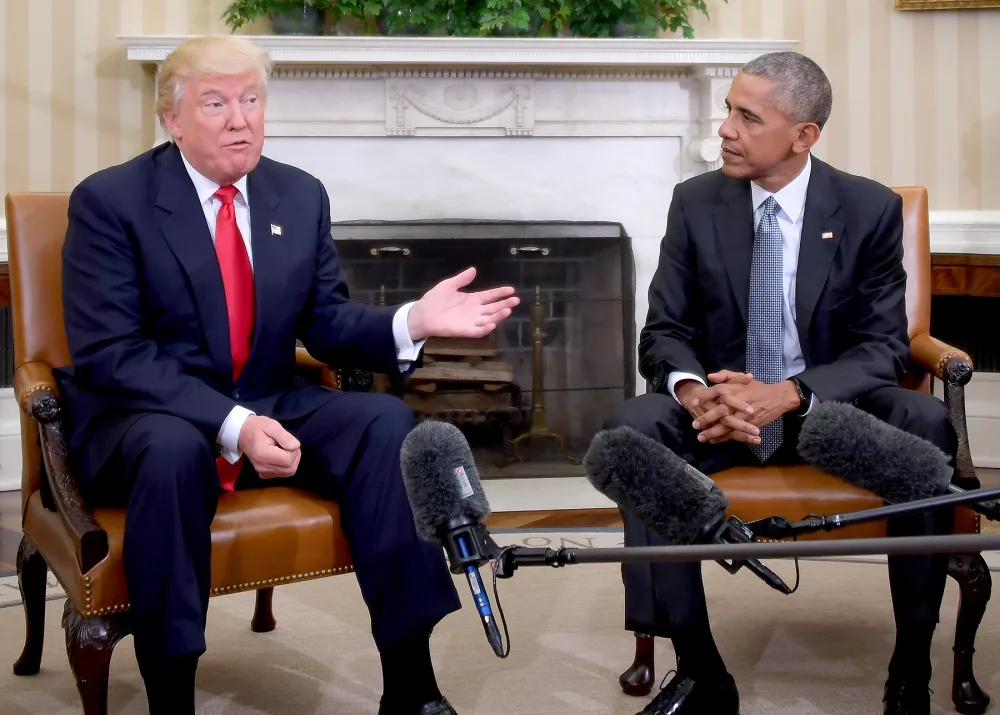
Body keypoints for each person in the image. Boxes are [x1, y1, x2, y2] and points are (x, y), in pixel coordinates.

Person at [57, 34, 519, 715]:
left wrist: (411, 322)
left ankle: (412, 685)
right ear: (172, 119)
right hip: (143, 418)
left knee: (384, 422)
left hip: (268, 395)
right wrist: (235, 425)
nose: (239, 118)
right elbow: (112, 354)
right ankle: (171, 694)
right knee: (173, 449)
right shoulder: (111, 201)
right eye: (215, 103)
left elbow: (326, 322)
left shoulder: (297, 195)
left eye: (250, 99)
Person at [605, 51, 954, 715]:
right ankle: (700, 669)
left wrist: (791, 392)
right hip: (724, 413)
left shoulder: (868, 208)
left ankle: (911, 666)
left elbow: (883, 344)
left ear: (804, 136)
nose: (725, 129)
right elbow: (665, 329)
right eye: (728, 109)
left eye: (746, 116)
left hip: (825, 412)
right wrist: (693, 392)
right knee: (629, 430)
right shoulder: (696, 202)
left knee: (926, 424)